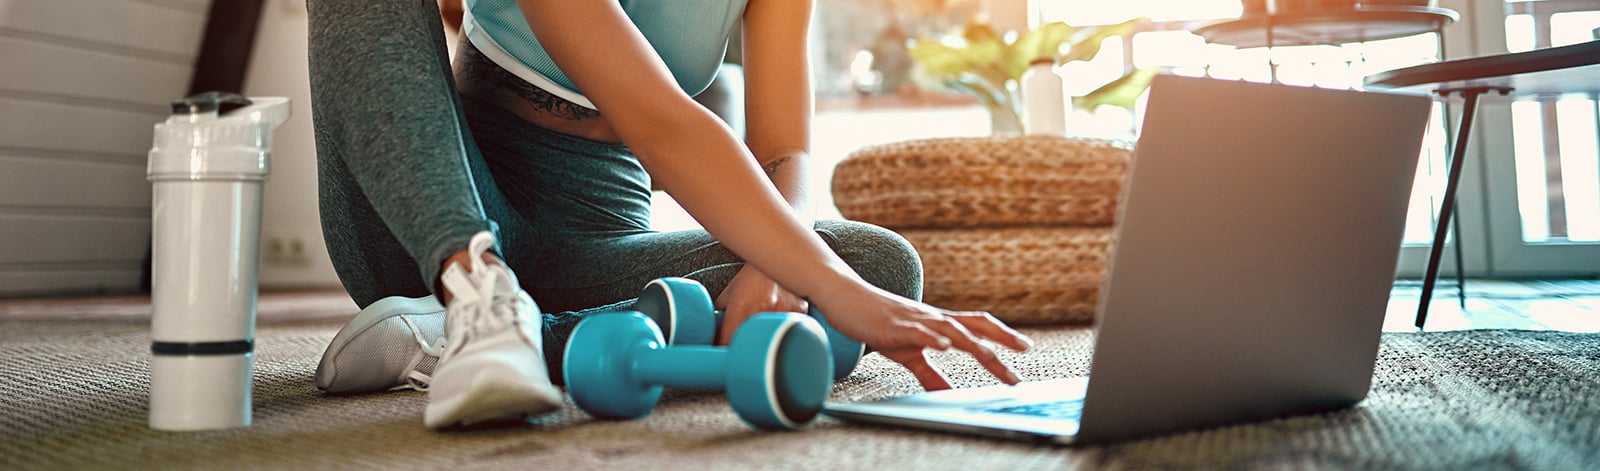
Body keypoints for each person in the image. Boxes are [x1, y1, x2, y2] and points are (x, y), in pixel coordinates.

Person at [306, 0, 1033, 430]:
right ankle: (473, 294)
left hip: (589, 243)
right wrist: (823, 282)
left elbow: (784, 149)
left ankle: (473, 340)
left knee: (877, 265)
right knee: (835, 284)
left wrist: (783, 257)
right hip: (428, 210)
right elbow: (658, 120)